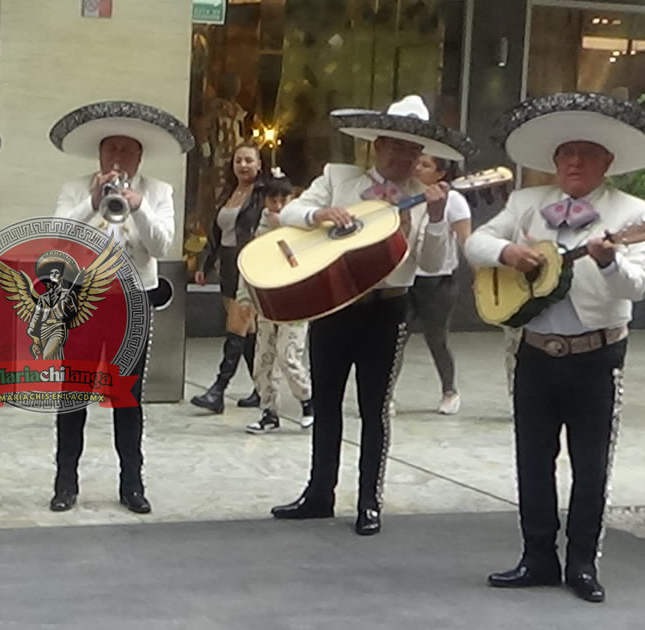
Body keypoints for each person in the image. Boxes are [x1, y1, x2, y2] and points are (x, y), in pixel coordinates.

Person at [465, 92, 645, 604]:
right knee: (532, 458)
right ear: (554, 161)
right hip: (535, 350)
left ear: (607, 163)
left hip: (596, 355)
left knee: (591, 465)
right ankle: (537, 556)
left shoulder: (636, 214)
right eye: (567, 153)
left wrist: (609, 262)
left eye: (587, 154)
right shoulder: (527, 204)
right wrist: (509, 251)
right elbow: (474, 243)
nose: (574, 162)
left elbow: (638, 288)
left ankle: (584, 563)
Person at [269, 95, 474, 536]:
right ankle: (318, 493)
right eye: (396, 146)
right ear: (377, 145)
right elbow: (288, 212)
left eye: (413, 150)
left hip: (388, 308)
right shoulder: (338, 179)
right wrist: (318, 214)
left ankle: (369, 501)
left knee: (374, 407)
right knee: (325, 402)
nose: (404, 156)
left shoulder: (423, 198)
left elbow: (433, 259)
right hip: (333, 304)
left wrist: (437, 218)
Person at [47, 100, 194, 514]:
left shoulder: (159, 192)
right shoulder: (76, 189)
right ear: (99, 154)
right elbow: (59, 241)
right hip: (83, 298)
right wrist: (93, 201)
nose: (117, 158)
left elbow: (161, 246)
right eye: (110, 150)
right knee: (72, 392)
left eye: (126, 151)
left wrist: (139, 205)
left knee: (126, 395)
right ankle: (65, 483)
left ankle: (132, 483)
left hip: (131, 300)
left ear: (139, 157)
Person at [191, 142, 263, 413]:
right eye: (238, 161)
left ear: (259, 164)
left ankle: (218, 389)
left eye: (248, 160)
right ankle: (262, 387)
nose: (243, 165)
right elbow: (215, 235)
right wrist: (204, 264)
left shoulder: (263, 194)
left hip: (251, 265)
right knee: (248, 331)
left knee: (236, 328)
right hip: (228, 266)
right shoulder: (228, 194)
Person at [239, 172, 314, 433]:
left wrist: (280, 229)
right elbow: (249, 262)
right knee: (263, 360)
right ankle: (268, 411)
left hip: (296, 301)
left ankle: (307, 402)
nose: (279, 205)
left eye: (284, 199)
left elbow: (302, 260)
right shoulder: (258, 229)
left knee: (288, 355)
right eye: (274, 199)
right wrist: (245, 295)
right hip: (267, 304)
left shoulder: (300, 227)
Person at [407, 154, 472, 415]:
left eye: (425, 165)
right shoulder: (406, 194)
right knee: (397, 337)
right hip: (407, 277)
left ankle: (449, 390)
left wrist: (481, 277)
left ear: (440, 173)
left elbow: (466, 240)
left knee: (437, 338)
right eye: (417, 162)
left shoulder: (454, 200)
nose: (417, 168)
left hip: (439, 281)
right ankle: (386, 394)